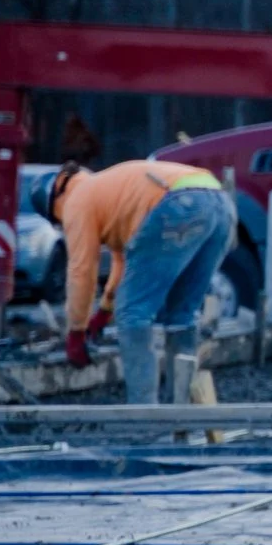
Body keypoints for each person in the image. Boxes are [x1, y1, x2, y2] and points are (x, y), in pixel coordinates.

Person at [46, 159, 237, 406]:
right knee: (182, 314)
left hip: (177, 205)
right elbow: (125, 266)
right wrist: (103, 313)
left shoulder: (75, 201)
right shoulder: (109, 193)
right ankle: (181, 412)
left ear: (54, 204)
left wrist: (76, 331)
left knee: (133, 314)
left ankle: (145, 416)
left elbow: (82, 271)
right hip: (220, 204)